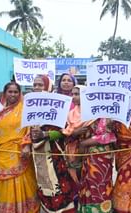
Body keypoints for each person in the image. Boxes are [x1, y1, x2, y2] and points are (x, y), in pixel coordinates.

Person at [0, 82, 40, 212]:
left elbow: (31, 129)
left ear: (20, 94)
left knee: (24, 183)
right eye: (10, 92)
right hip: (3, 155)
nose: (13, 94)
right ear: (5, 93)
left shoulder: (25, 109)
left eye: (16, 92)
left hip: (21, 153)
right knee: (6, 184)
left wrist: (26, 145)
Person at [29, 75, 78, 213]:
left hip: (56, 152)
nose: (37, 88)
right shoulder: (30, 105)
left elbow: (65, 130)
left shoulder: (56, 103)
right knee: (44, 183)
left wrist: (45, 135)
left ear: (48, 87)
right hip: (38, 153)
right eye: (35, 85)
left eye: (41, 85)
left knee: (60, 184)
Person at [63, 86, 116, 213]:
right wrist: (75, 133)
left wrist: (86, 143)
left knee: (100, 183)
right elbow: (66, 134)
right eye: (73, 93)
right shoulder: (71, 114)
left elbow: (108, 135)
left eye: (78, 93)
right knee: (87, 183)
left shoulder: (100, 111)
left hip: (101, 156)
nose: (74, 96)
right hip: (84, 156)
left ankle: (102, 210)